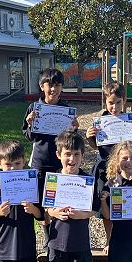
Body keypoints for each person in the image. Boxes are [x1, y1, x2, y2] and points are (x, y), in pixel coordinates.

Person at [45, 131, 99, 262]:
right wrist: (53, 212)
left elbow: (94, 209)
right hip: (57, 242)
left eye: (77, 154)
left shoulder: (87, 180)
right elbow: (46, 209)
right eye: (67, 154)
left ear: (83, 155)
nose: (72, 159)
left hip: (79, 242)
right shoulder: (53, 179)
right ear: (59, 154)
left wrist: (81, 215)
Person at [22, 68, 78, 202]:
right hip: (40, 162)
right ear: (42, 86)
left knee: (58, 199)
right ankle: (44, 217)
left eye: (57, 85)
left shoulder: (66, 110)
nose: (53, 89)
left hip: (60, 163)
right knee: (40, 200)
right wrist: (30, 124)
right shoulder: (34, 108)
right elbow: (29, 137)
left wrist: (74, 129)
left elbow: (69, 140)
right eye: (50, 85)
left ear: (62, 87)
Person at [86, 82, 128, 254]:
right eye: (111, 103)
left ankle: (123, 239)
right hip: (104, 169)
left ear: (124, 101)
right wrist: (89, 137)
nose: (114, 107)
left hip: (124, 169)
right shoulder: (100, 121)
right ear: (105, 102)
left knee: (123, 205)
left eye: (118, 102)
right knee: (107, 207)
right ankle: (110, 240)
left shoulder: (129, 120)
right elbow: (96, 146)